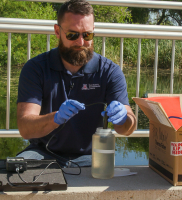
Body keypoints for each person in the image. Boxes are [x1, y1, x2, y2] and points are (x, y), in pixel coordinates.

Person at [16, 0, 136, 167]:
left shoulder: (109, 71)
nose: (80, 42)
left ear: (93, 31)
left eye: (87, 35)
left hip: (91, 154)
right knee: (17, 172)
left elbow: (128, 128)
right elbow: (25, 128)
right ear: (57, 31)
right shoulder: (36, 68)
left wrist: (124, 118)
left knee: (106, 179)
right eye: (72, 35)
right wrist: (55, 118)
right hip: (42, 152)